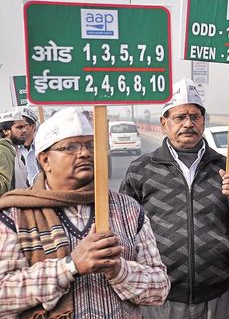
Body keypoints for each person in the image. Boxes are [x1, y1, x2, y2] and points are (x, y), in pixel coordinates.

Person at [0, 107, 170, 319]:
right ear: (44, 160)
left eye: (90, 145)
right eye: (70, 147)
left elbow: (160, 289)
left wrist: (119, 271)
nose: (84, 153)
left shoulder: (128, 210)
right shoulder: (15, 214)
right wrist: (70, 266)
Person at [120, 78, 229, 319]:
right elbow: (123, 231)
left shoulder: (225, 168)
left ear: (203, 121)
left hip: (217, 297)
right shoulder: (141, 170)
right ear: (164, 122)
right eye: (180, 117)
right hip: (161, 300)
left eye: (195, 117)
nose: (188, 123)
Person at [0, 109, 29, 196]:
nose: (24, 130)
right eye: (19, 127)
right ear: (5, 131)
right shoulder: (3, 150)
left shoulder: (18, 153)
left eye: (24, 126)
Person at [15, 107, 40, 185]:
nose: (21, 130)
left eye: (23, 126)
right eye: (17, 126)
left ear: (33, 127)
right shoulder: (12, 150)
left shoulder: (42, 147)